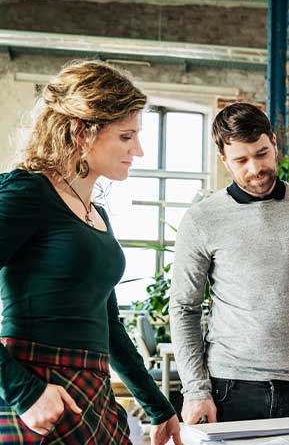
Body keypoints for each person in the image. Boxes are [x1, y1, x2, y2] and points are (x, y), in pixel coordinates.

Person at [0, 60, 181, 444]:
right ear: (83, 132)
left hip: (90, 391)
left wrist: (157, 405)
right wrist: (23, 391)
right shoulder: (26, 193)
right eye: (126, 136)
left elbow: (109, 324)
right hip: (38, 396)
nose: (140, 150)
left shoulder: (92, 212)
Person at [169, 102, 289, 427]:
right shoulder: (201, 219)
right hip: (227, 389)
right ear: (224, 160)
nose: (255, 168)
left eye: (262, 154)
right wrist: (195, 389)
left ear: (275, 144)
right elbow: (183, 308)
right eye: (241, 160)